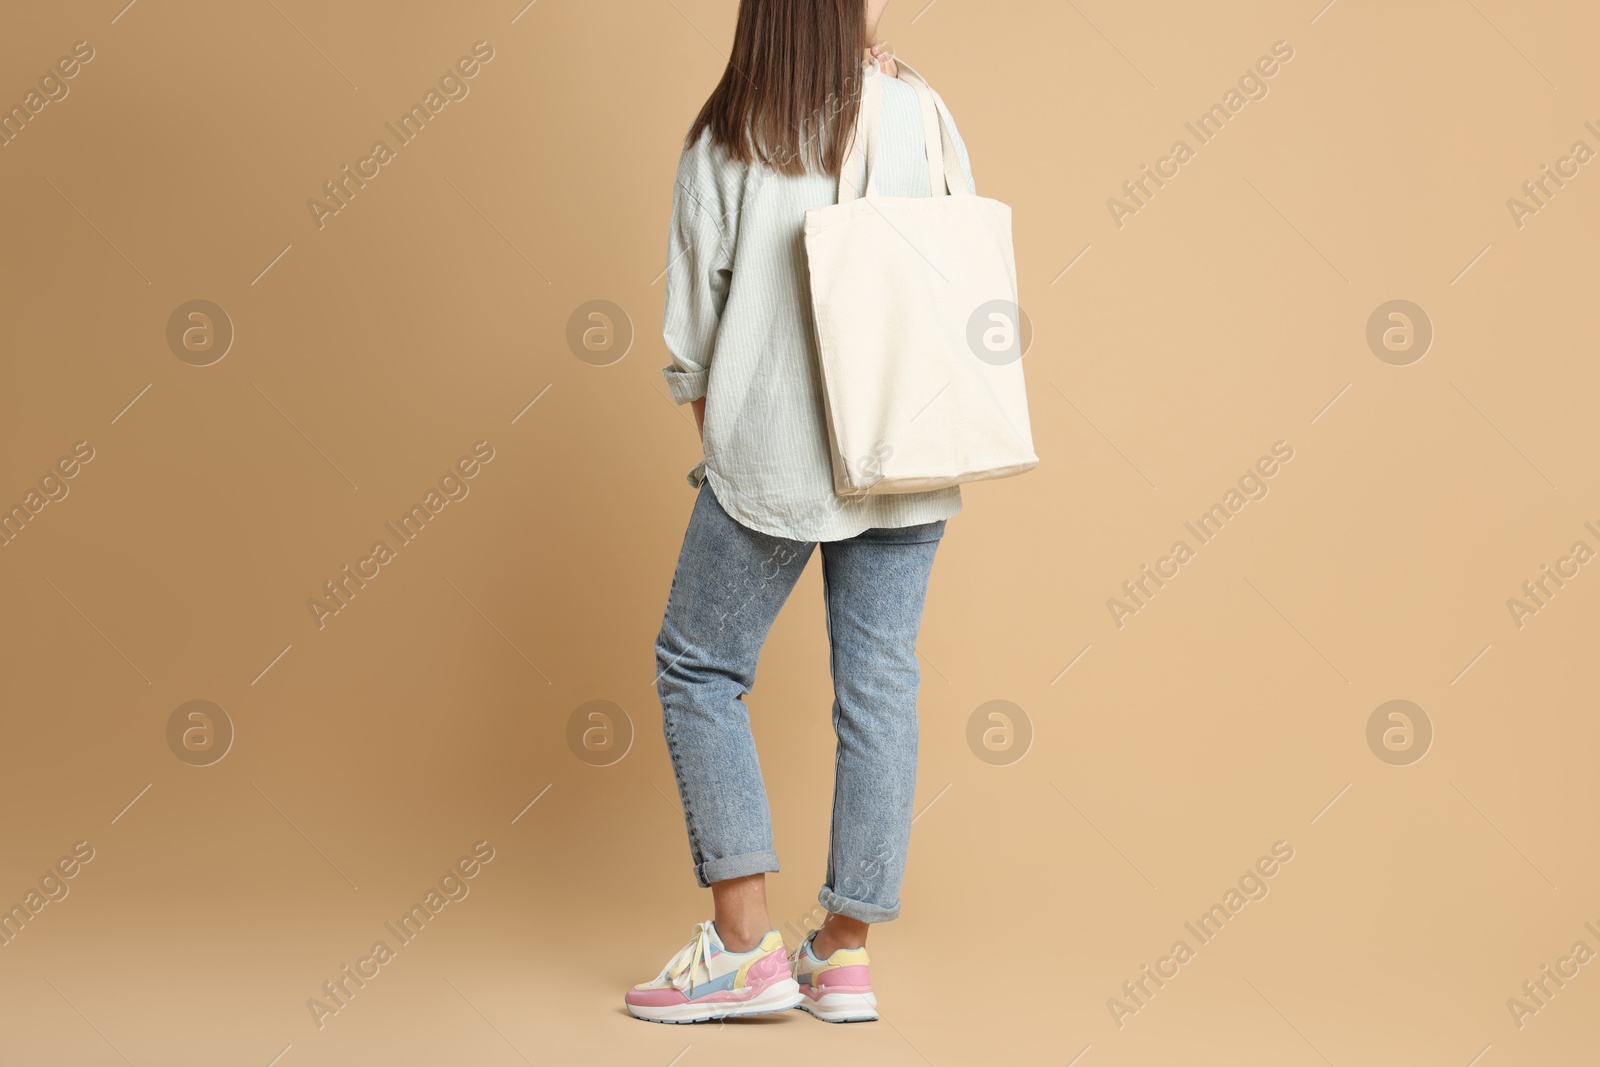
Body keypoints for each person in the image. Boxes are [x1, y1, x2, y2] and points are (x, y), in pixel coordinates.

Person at [624, 0, 979, 1025]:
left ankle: (744, 946)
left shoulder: (729, 132)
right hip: (907, 446)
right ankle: (844, 955)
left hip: (773, 455)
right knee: (878, 687)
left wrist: (733, 435)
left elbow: (692, 329)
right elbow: (954, 265)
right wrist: (893, 97)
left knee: (699, 666)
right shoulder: (922, 110)